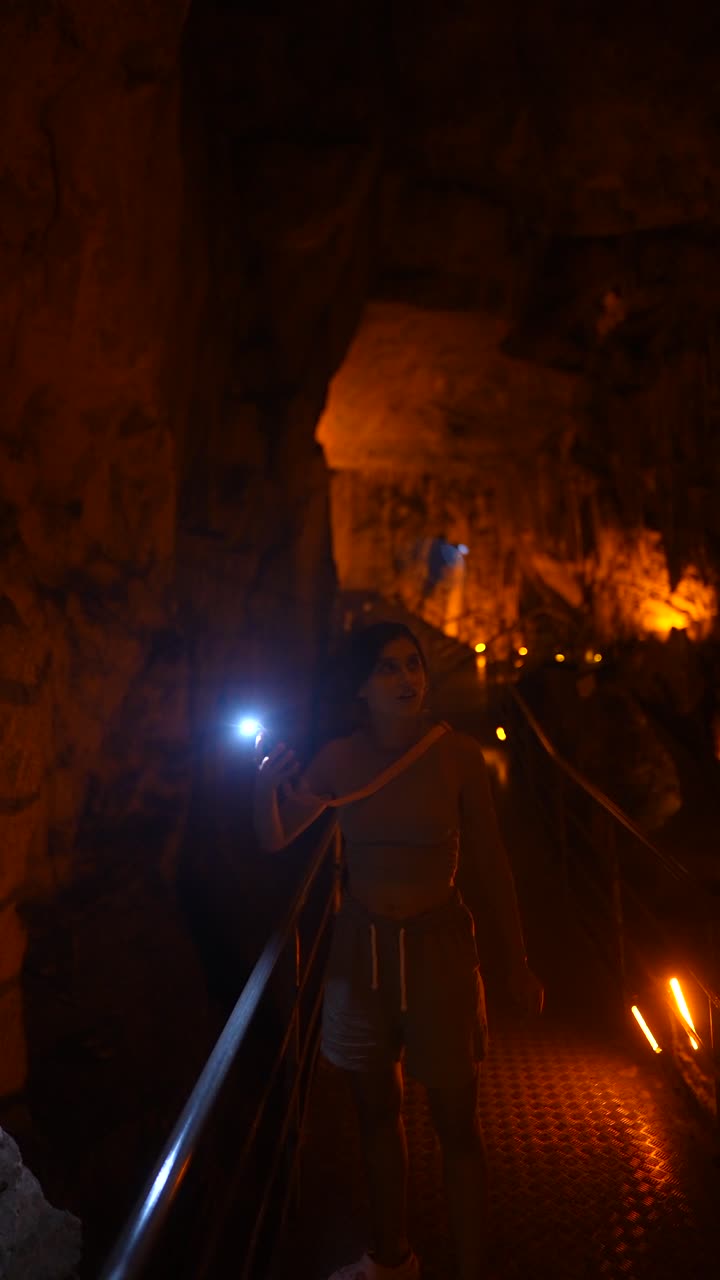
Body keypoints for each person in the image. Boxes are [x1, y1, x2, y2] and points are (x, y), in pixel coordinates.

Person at [253, 622, 543, 1280]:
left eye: (413, 665)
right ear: (361, 686)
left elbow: (493, 865)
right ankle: (391, 1260)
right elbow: (275, 837)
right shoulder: (338, 760)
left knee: (456, 1122)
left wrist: (517, 963)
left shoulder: (458, 757)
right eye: (388, 669)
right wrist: (262, 785)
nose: (407, 679)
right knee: (375, 1114)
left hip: (438, 945)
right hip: (362, 952)